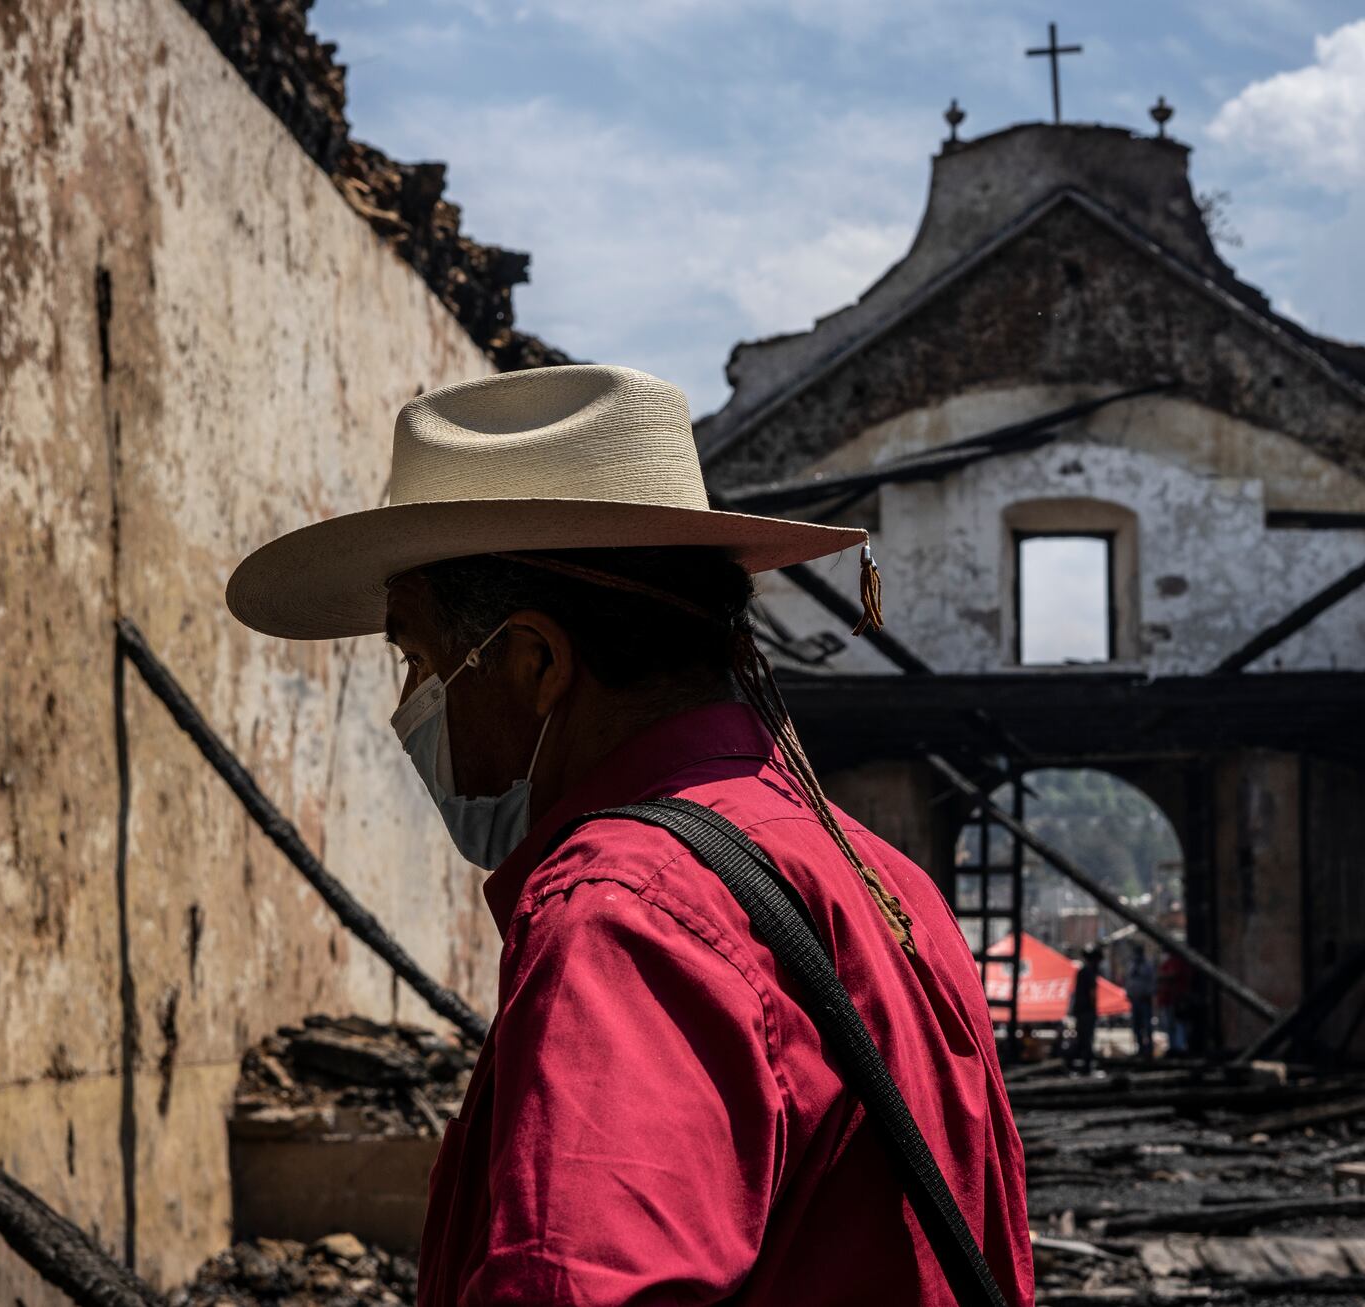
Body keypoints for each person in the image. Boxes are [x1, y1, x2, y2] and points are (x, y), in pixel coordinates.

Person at [225, 366, 1033, 1306]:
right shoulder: (881, 877)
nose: (408, 703)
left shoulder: (624, 915)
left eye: (416, 657)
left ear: (536, 662)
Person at [1068, 942, 1102, 1074]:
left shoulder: (1082, 971)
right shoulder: (1089, 972)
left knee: (1082, 1038)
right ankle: (1084, 1065)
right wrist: (1094, 1008)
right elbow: (1092, 993)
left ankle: (1076, 1063)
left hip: (1081, 1010)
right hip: (1087, 1011)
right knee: (1086, 1038)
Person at [1157, 951, 1195, 1057]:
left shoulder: (1179, 962)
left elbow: (1173, 975)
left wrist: (1163, 976)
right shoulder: (1169, 962)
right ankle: (1174, 1047)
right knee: (1170, 1025)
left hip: (1176, 1000)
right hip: (1168, 999)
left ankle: (1179, 1048)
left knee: (1178, 1024)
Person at [1125, 949, 1156, 1060]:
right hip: (1135, 1000)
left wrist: (1148, 993)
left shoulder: (1147, 966)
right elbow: (1128, 980)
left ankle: (1149, 1050)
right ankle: (1140, 1049)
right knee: (1136, 1026)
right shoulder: (1132, 965)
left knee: (1147, 1026)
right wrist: (1129, 993)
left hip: (1145, 1000)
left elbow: (1152, 981)